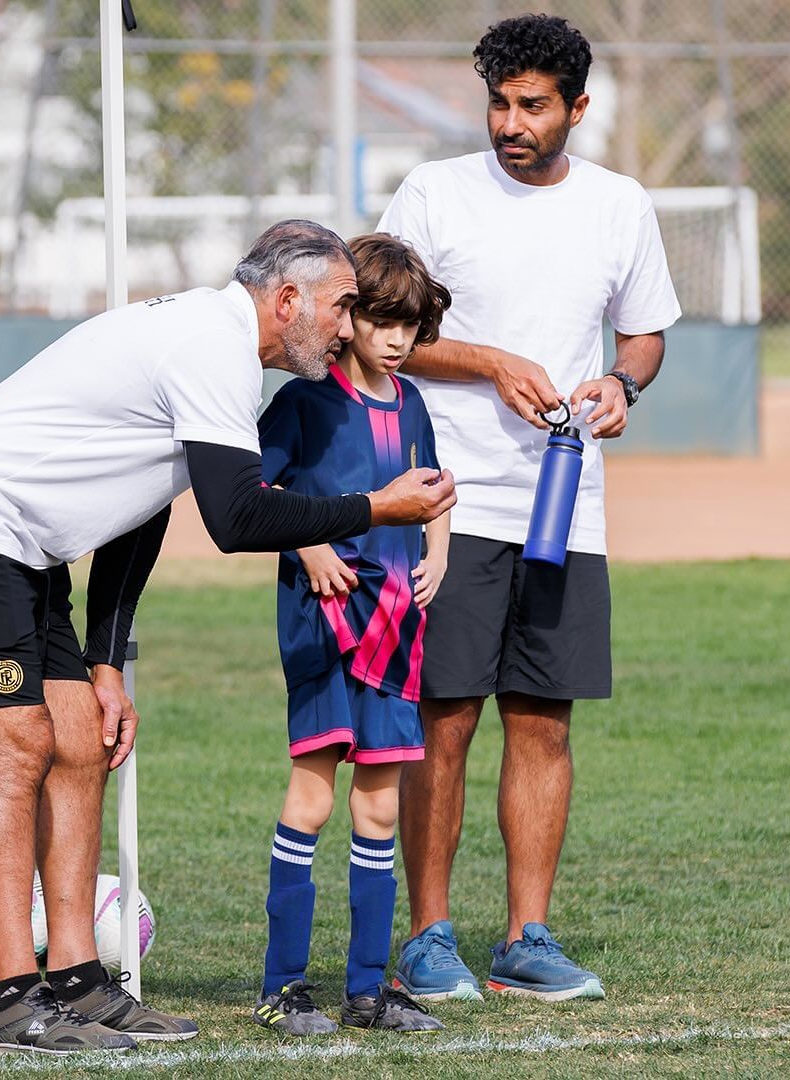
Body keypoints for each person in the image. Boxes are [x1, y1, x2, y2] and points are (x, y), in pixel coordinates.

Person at [0, 220, 456, 1055]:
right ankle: (10, 999)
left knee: (81, 737)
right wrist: (376, 507)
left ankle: (77, 979)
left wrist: (106, 662)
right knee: (17, 741)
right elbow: (237, 518)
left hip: (21, 544)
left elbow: (140, 512)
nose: (345, 327)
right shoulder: (211, 347)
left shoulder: (219, 347)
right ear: (287, 300)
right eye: (340, 307)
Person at [377, 15, 682, 1002]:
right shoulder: (435, 194)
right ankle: (428, 938)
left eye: (533, 106)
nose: (511, 123)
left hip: (565, 505)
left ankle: (526, 939)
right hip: (449, 502)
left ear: (577, 109)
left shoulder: (620, 205)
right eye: (499, 103)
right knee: (445, 718)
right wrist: (489, 361)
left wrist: (622, 385)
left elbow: (643, 335)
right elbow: (383, 330)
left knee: (544, 720)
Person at [251, 234, 452, 1036]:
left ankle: (368, 990)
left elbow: (436, 489)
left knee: (379, 809)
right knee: (313, 797)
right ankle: (282, 988)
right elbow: (253, 493)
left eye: (410, 325)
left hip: (397, 630)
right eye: (380, 320)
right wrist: (309, 546)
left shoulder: (413, 404)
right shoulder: (304, 401)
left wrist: (438, 554)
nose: (396, 339)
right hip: (325, 626)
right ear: (348, 317)